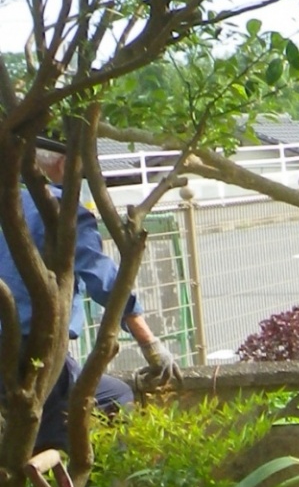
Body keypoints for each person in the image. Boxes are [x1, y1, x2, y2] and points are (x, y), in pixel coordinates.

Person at [0, 149, 179, 450]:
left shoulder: (8, 202)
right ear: (65, 163)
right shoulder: (62, 210)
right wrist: (151, 346)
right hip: (34, 349)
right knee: (111, 403)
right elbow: (103, 279)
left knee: (31, 436)